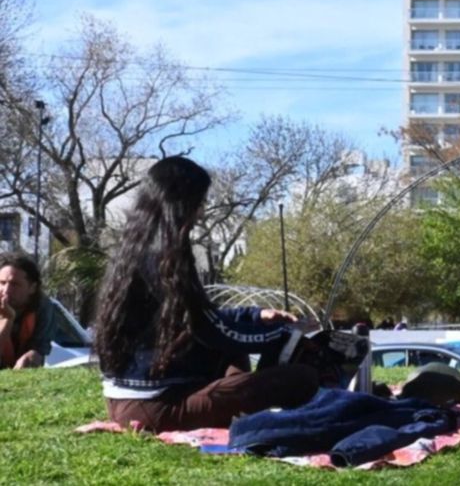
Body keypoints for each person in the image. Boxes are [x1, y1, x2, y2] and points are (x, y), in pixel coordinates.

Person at [93, 156, 320, 432]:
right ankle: (256, 413)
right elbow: (214, 331)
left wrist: (255, 315)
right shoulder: (166, 254)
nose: (201, 211)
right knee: (301, 378)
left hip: (126, 400)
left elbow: (196, 317)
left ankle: (247, 408)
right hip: (156, 407)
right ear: (182, 202)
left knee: (232, 355)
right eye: (199, 202)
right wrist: (288, 335)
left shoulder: (134, 248)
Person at [1, 253, 57, 369]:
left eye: (15, 285)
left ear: (32, 288)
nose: (6, 290)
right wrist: (7, 319)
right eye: (2, 283)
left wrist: (31, 357)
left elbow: (39, 348)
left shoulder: (43, 307)